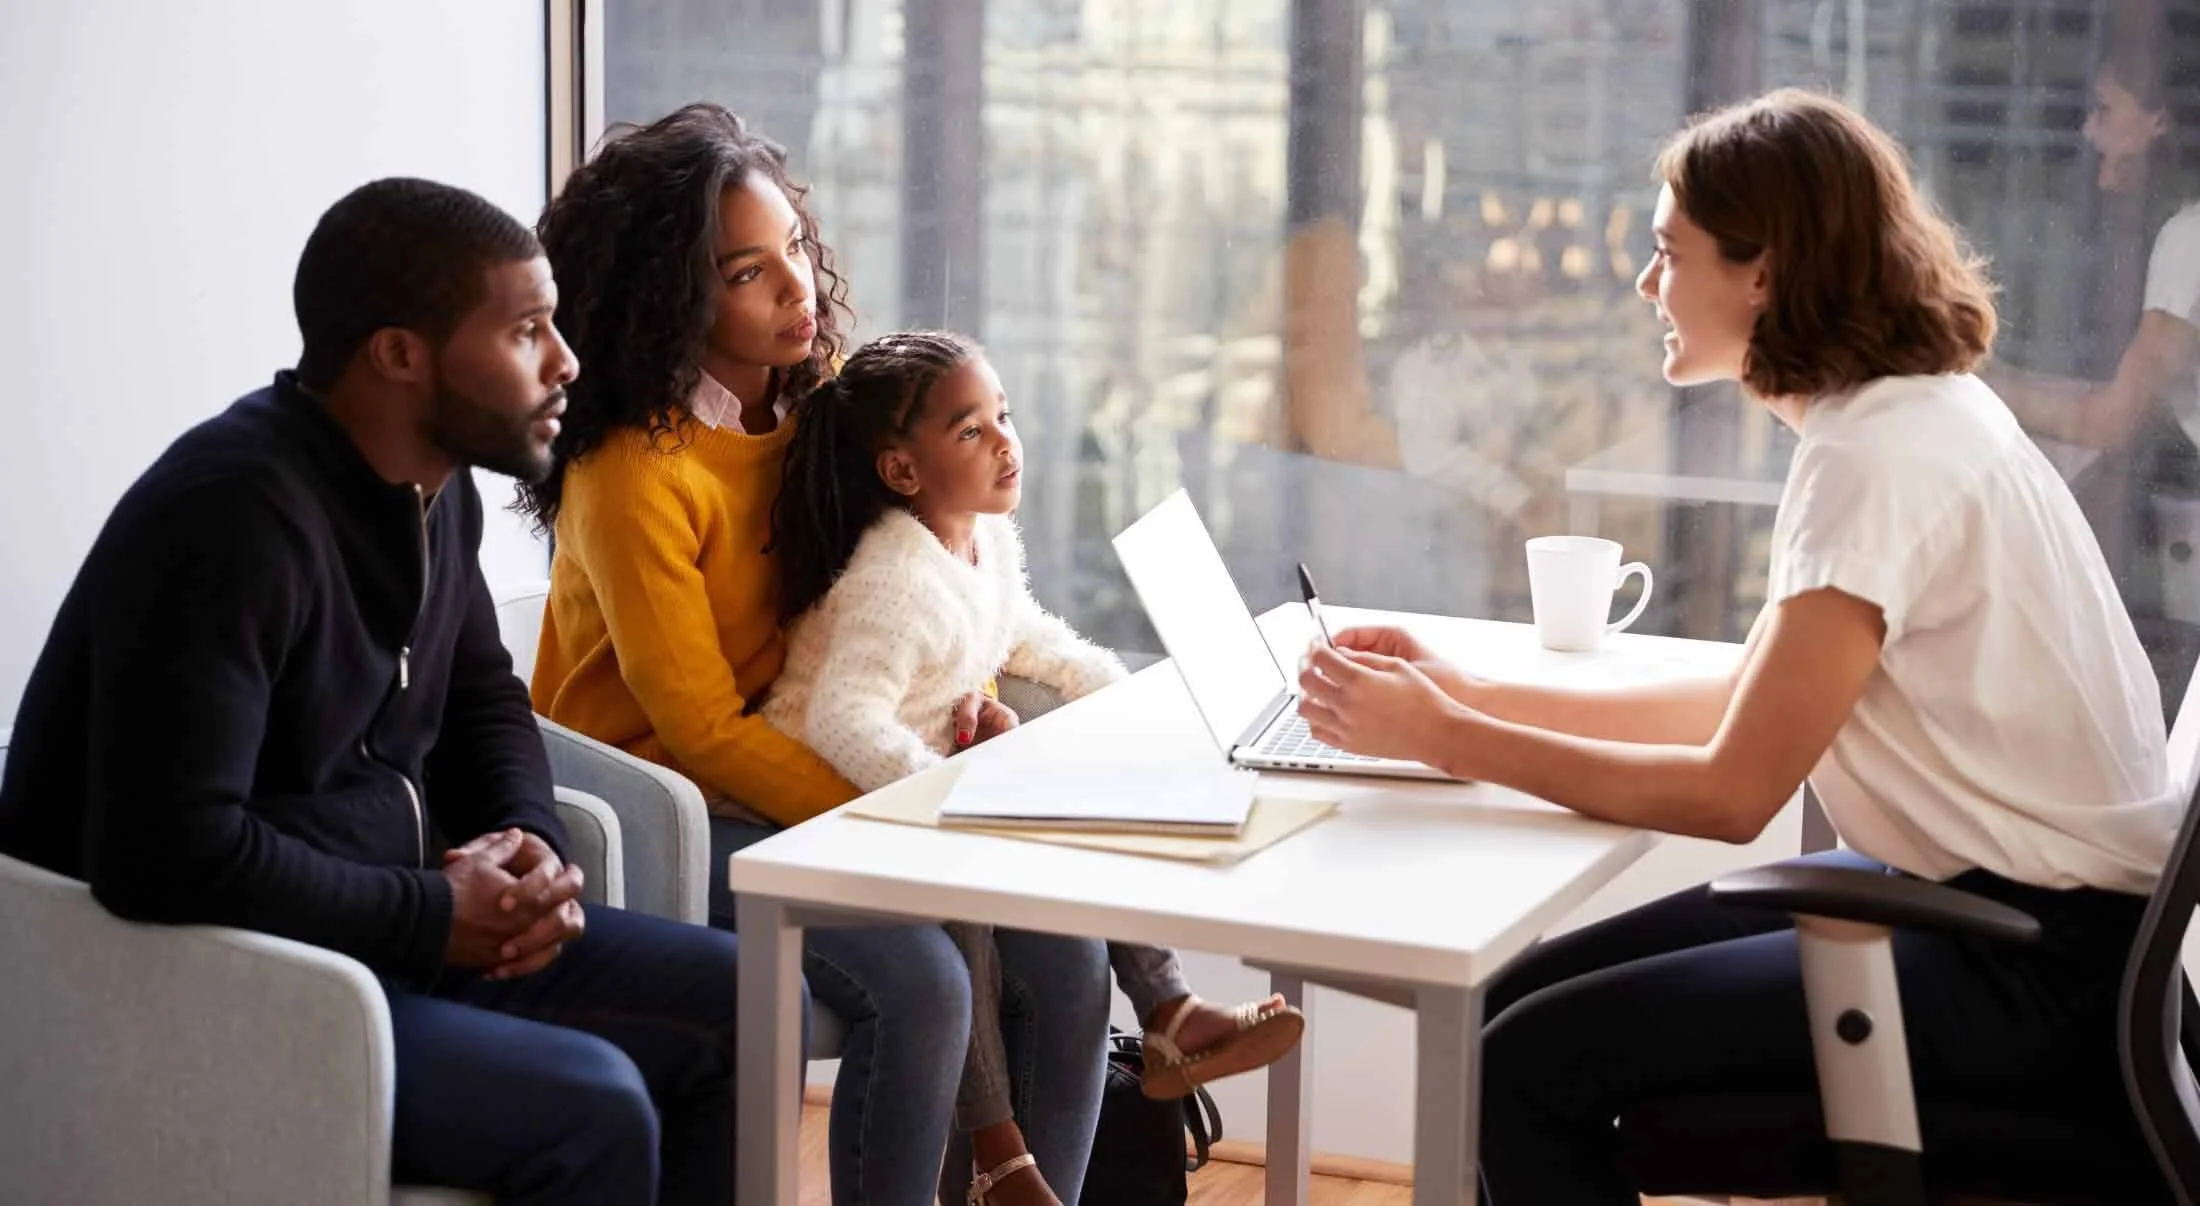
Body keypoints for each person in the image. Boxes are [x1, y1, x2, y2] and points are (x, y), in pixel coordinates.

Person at [1295, 89, 2183, 1203]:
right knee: (1502, 1002)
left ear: (1760, 273)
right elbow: (1756, 697)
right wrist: (1469, 696)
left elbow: (1731, 791)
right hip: (2027, 933)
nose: (1645, 284)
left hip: (2024, 970)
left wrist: (1454, 738)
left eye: (1668, 253)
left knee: (1518, 1064)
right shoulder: (1904, 414)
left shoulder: (1874, 455)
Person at [0, 178, 747, 1205]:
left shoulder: (434, 492)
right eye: (528, 329)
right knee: (594, 1103)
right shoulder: (229, 520)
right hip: (208, 974)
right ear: (399, 353)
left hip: (379, 924)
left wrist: (531, 844)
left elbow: (484, 700)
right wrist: (432, 914)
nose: (565, 361)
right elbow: (167, 853)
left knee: (752, 999)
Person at [517, 104, 1111, 1206]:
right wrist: (903, 819)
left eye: (794, 245)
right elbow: (698, 731)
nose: (796, 286)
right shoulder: (633, 474)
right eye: (749, 271)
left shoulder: (819, 403)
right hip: (671, 808)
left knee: (1070, 947)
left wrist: (969, 698)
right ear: (669, 293)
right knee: (923, 981)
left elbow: (906, 586)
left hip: (818, 746)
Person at [762, 329, 1307, 1206]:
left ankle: (1166, 1009)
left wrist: (1116, 693)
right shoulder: (891, 576)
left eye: (1004, 415)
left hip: (917, 785)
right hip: (836, 813)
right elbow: (840, 718)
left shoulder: (984, 542)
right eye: (969, 430)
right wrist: (951, 798)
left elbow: (1025, 635)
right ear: (903, 471)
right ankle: (1001, 1156)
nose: (1005, 440)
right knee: (971, 898)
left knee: (1074, 828)